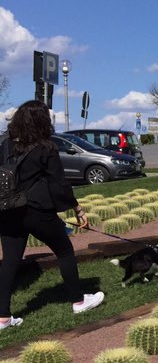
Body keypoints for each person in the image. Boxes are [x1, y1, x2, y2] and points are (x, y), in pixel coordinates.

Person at [0, 100, 105, 329]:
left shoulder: (5, 144)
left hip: (7, 210)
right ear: (42, 121)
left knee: (10, 261)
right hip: (36, 209)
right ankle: (78, 301)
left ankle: (3, 317)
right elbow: (59, 185)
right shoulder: (46, 147)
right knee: (64, 251)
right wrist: (77, 208)